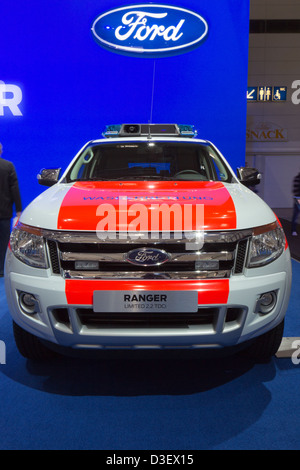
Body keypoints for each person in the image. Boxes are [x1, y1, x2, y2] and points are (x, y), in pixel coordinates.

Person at [0, 143, 22, 276]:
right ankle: (1, 269)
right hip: (4, 211)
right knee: (3, 241)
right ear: (1, 151)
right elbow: (14, 189)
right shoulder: (8, 166)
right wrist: (19, 209)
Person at [291, 171, 300, 236]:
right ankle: (293, 230)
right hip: (298, 198)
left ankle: (293, 230)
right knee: (296, 215)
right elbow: (295, 190)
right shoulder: (297, 178)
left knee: (296, 214)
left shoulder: (297, 178)